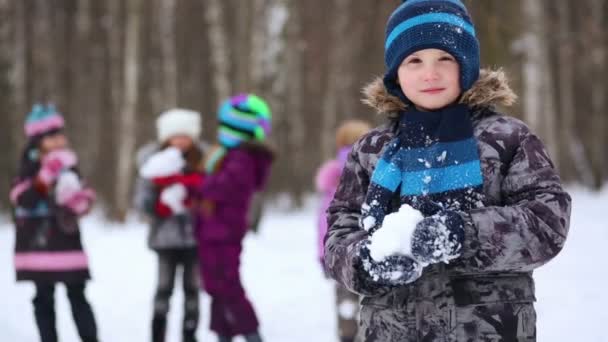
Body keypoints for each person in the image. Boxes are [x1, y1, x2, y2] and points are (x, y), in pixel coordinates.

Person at [323, 1, 571, 340]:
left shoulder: (508, 138)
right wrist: (365, 261)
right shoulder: (371, 150)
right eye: (414, 61)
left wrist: (461, 233)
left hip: (487, 329)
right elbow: (339, 228)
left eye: (445, 58)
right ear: (396, 73)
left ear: (466, 64)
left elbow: (546, 221)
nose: (430, 73)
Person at [10, 104, 98, 342]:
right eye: (52, 136)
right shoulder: (28, 165)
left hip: (66, 238)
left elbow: (85, 193)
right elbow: (21, 199)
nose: (59, 140)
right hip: (37, 240)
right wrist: (44, 177)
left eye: (61, 134)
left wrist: (81, 200)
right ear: (38, 140)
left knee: (77, 293)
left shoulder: (70, 165)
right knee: (44, 295)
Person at [195, 94, 274, 342]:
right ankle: (223, 332)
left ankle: (251, 333)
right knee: (215, 286)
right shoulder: (228, 154)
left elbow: (226, 186)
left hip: (224, 230)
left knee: (227, 284)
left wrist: (200, 185)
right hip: (212, 230)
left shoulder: (242, 157)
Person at [134, 108, 205, 342]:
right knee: (163, 288)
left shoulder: (203, 161)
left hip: (196, 238)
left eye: (185, 136)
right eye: (176, 136)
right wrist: (158, 207)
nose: (181, 141)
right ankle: (157, 334)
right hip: (164, 239)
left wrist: (197, 201)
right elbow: (141, 200)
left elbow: (214, 196)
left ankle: (189, 335)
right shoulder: (154, 163)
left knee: (193, 290)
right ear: (166, 138)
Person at [315, 119, 371, 342]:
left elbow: (323, 220)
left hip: (339, 247)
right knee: (370, 299)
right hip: (369, 246)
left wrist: (323, 252)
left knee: (345, 299)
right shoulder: (376, 166)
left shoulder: (334, 171)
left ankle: (347, 335)